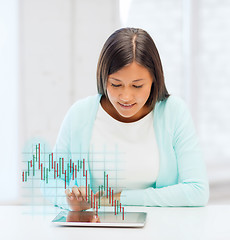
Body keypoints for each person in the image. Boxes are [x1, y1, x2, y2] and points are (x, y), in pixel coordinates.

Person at [41, 27, 209, 211]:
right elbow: (50, 181)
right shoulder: (80, 114)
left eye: (137, 86)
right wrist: (68, 200)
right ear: (103, 78)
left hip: (160, 227)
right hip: (94, 228)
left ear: (154, 79)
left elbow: (197, 190)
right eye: (116, 84)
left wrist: (118, 198)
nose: (126, 96)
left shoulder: (173, 112)